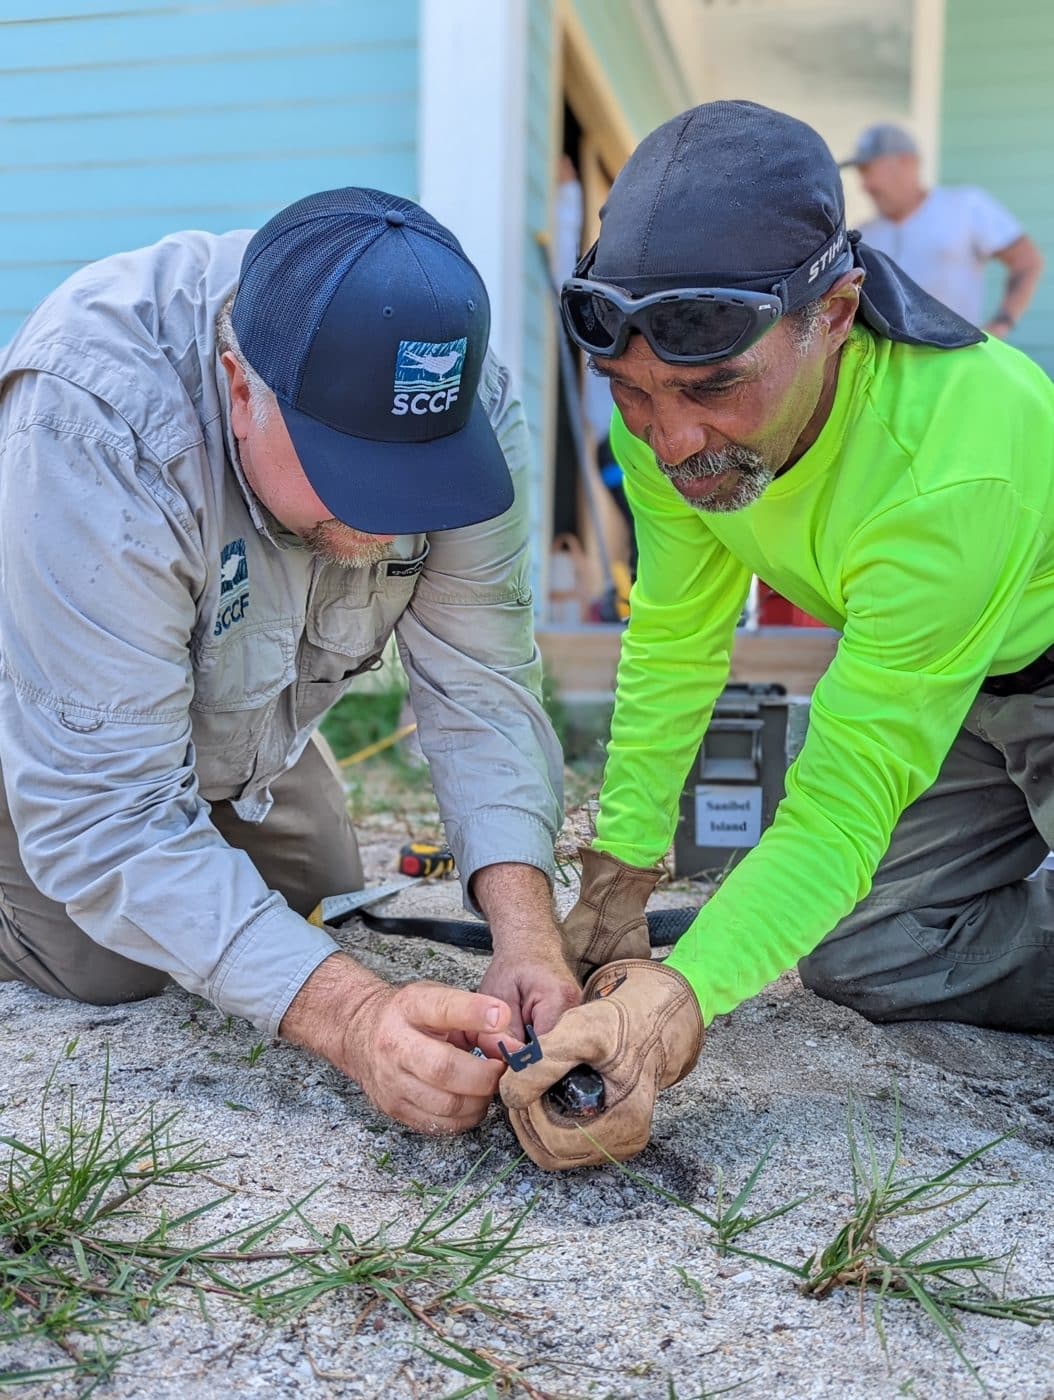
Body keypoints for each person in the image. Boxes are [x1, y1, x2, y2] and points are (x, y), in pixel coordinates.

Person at [499, 101, 1054, 1172]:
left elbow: (840, 808)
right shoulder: (666, 413)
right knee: (866, 951)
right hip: (965, 686)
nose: (671, 440)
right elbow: (673, 636)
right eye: (633, 395)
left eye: (714, 391)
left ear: (835, 312)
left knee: (814, 880)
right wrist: (617, 879)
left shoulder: (955, 460)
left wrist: (672, 1004)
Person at [0, 188, 581, 1137]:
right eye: (355, 474)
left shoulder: (460, 395)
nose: (396, 518)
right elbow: (103, 817)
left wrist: (527, 934)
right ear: (239, 385)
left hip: (223, 715)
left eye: (420, 478)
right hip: (54, 717)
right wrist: (355, 1020)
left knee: (312, 889)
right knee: (107, 960)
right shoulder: (97, 418)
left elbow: (483, 680)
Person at [841, 122, 1043, 337]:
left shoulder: (965, 207)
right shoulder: (864, 234)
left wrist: (1001, 324)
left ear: (906, 163)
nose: (865, 185)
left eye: (868, 170)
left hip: (957, 357)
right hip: (888, 363)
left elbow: (1027, 260)